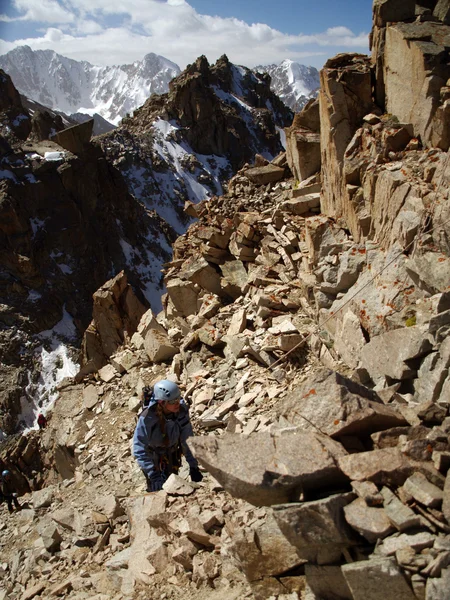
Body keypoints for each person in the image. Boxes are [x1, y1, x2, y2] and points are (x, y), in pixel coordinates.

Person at [133, 380, 203, 492]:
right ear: (162, 402)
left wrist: (193, 466)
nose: (177, 403)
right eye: (172, 401)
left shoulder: (181, 411)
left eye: (178, 399)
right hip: (153, 460)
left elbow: (187, 440)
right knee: (157, 491)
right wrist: (153, 474)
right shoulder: (147, 418)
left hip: (172, 455)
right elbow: (139, 449)